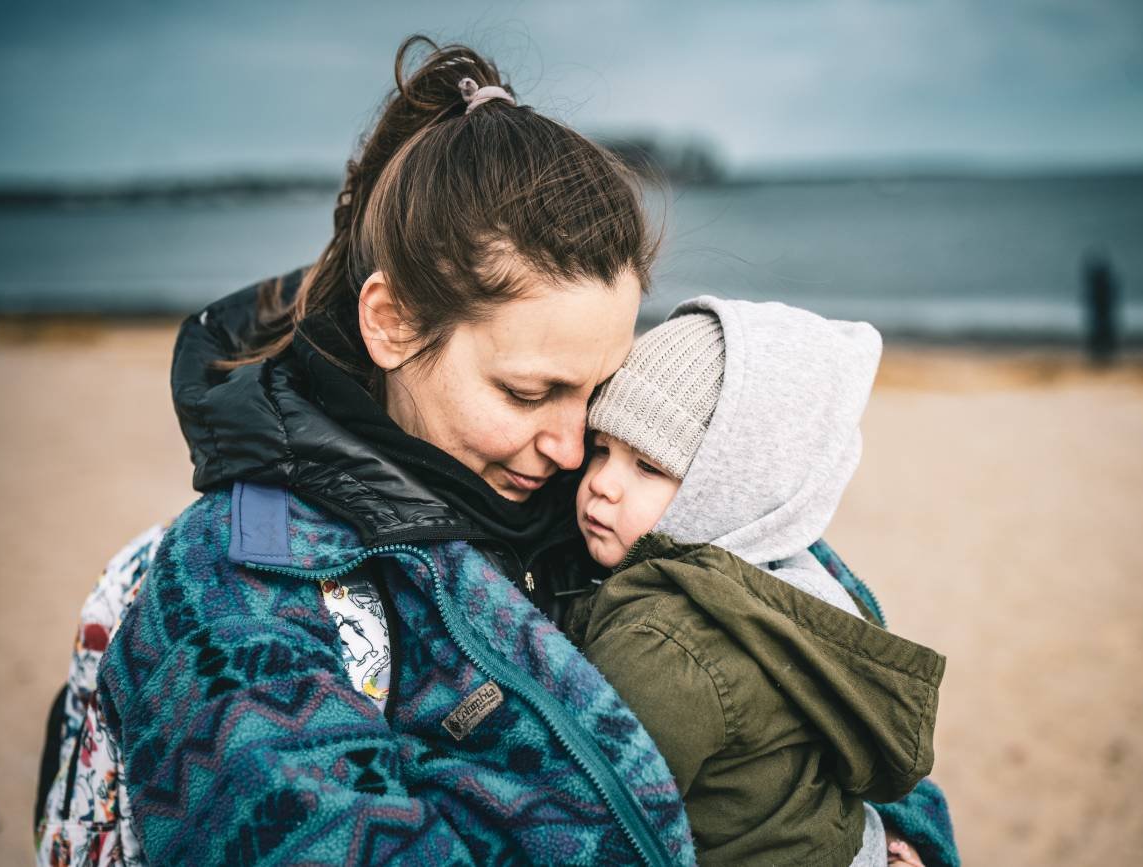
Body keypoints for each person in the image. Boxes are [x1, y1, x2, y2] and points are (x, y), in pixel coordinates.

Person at [35, 35, 694, 865]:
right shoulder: (238, 587)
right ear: (390, 322)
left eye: (599, 394)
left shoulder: (603, 490)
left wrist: (900, 830)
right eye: (529, 393)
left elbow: (800, 629)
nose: (573, 449)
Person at [563, 299, 947, 866]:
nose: (602, 484)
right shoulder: (796, 587)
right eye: (602, 450)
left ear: (730, 489)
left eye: (649, 467)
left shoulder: (665, 646)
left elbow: (589, 816)